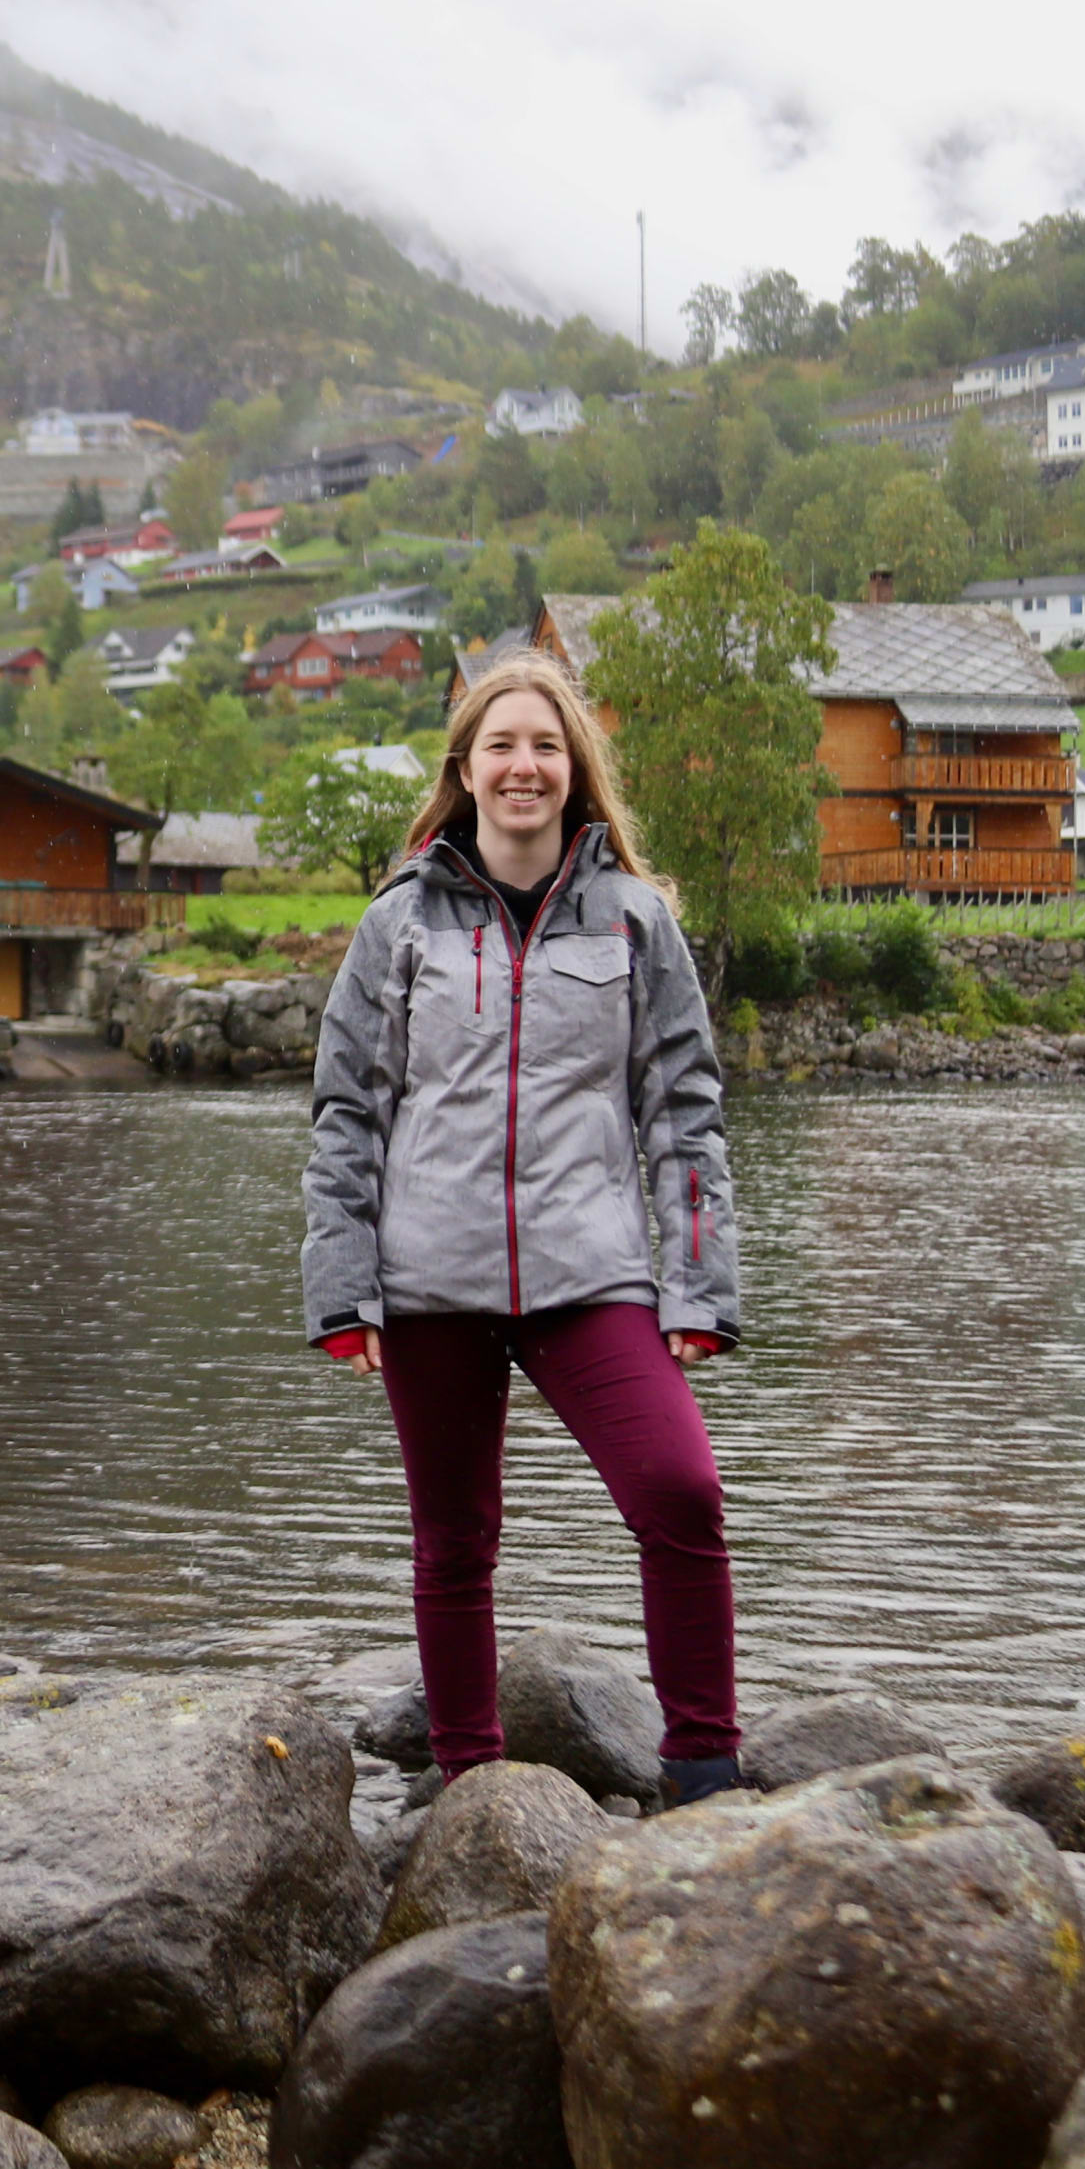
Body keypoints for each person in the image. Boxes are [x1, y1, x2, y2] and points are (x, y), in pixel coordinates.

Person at [299, 649, 744, 1804]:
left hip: (588, 1274)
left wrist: (696, 1289)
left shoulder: (636, 921)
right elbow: (348, 1110)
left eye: (545, 745)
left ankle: (702, 1767)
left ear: (575, 769)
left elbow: (684, 1115)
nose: (523, 766)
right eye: (501, 744)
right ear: (466, 768)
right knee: (455, 1544)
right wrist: (342, 1294)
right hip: (426, 1281)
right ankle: (470, 1786)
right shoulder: (398, 922)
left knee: (681, 1492)